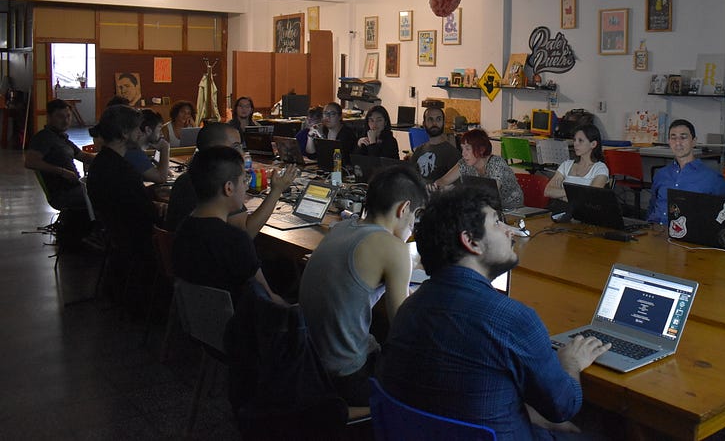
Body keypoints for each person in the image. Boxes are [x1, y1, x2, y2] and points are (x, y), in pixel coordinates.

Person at [377, 186, 611, 439]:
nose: (509, 231)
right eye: (497, 222)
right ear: (471, 241)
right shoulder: (512, 319)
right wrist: (571, 362)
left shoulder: (410, 307)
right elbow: (562, 406)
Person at [299, 165, 427, 406]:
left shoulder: (343, 227)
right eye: (415, 217)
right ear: (404, 208)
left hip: (305, 359)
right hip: (345, 376)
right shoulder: (393, 248)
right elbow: (403, 327)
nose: (413, 227)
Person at [172, 145, 285, 304]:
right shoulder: (234, 240)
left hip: (199, 323)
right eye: (244, 180)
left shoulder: (182, 230)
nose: (246, 186)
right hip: (241, 324)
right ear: (229, 188)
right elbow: (270, 299)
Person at [164, 122, 299, 233]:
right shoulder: (217, 183)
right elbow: (246, 232)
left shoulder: (186, 179)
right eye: (236, 146)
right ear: (216, 149)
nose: (241, 152)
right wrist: (277, 190)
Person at [86, 105, 162, 293]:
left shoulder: (103, 162)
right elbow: (147, 214)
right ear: (125, 133)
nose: (140, 133)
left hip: (119, 235)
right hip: (137, 239)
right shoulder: (122, 170)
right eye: (137, 128)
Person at [24, 99, 96, 243]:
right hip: (63, 193)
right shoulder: (43, 138)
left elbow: (83, 156)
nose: (66, 121)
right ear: (49, 117)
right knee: (107, 195)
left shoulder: (61, 138)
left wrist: (111, 157)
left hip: (75, 188)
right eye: (60, 116)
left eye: (68, 116)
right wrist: (62, 172)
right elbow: (30, 162)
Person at [648, 119, 725, 223]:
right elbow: (652, 206)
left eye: (683, 137)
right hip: (655, 231)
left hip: (686, 235)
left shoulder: (712, 179)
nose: (678, 142)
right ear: (669, 142)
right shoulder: (661, 174)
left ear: (694, 141)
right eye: (673, 138)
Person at [431, 128, 524, 210]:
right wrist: (435, 186)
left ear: (481, 149)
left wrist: (453, 192)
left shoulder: (496, 163)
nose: (463, 154)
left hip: (512, 210)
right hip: (487, 210)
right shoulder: (465, 163)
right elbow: (444, 180)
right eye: (462, 149)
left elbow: (489, 197)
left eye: (467, 149)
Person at [543, 124, 609, 202]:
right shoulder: (566, 165)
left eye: (580, 140)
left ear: (593, 144)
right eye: (574, 140)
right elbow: (547, 191)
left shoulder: (600, 168)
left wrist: (560, 195)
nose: (575, 144)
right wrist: (576, 193)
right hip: (561, 209)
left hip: (585, 212)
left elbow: (590, 197)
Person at [409, 106, 460, 182]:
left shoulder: (452, 153)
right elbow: (410, 176)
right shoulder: (419, 150)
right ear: (424, 123)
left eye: (438, 119)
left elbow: (456, 186)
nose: (434, 123)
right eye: (430, 119)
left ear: (443, 123)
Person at [124, 108, 172, 184]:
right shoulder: (134, 153)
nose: (161, 134)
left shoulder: (130, 148)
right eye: (159, 128)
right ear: (148, 130)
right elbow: (161, 178)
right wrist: (165, 147)